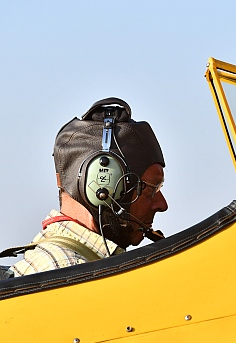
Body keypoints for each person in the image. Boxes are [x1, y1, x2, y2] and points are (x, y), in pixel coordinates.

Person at [10, 97, 168, 276]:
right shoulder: (70, 274)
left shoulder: (64, 266)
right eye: (152, 188)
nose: (162, 204)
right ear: (104, 188)